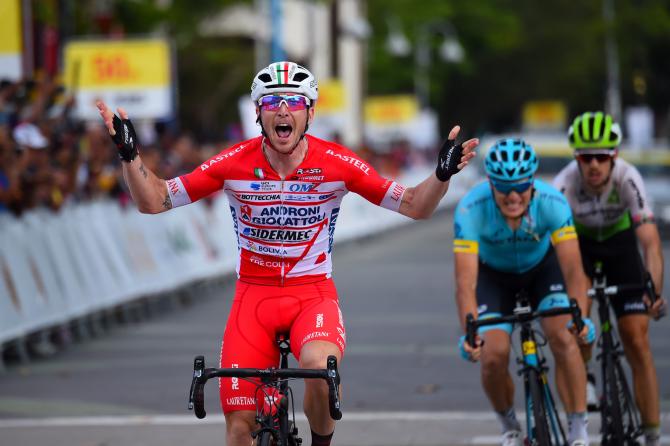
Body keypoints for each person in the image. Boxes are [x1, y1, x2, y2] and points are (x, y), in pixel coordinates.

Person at [96, 61, 478, 446]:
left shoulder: (338, 164)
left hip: (311, 295)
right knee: (240, 427)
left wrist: (441, 177)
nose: (282, 109)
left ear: (310, 112)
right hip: (253, 298)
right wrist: (130, 157)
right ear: (259, 113)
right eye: (271, 101)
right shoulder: (232, 163)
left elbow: (415, 205)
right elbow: (155, 200)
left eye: (294, 101)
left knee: (318, 370)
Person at [454, 138, 595, 446]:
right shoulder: (470, 208)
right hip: (495, 276)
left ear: (532, 182)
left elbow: (573, 270)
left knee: (564, 337)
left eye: (520, 186)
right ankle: (510, 428)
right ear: (491, 184)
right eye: (504, 188)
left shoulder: (553, 201)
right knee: (493, 355)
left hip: (543, 270)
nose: (513, 196)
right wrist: (470, 330)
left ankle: (578, 431)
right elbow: (466, 282)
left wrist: (581, 316)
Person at [554, 111, 666, 446]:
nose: (593, 165)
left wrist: (653, 290)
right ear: (576, 158)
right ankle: (585, 371)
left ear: (614, 156)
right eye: (586, 157)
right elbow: (553, 246)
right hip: (581, 247)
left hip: (620, 248)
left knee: (636, 338)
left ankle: (651, 432)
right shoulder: (564, 183)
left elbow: (649, 241)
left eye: (602, 157)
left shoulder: (628, 178)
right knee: (579, 319)